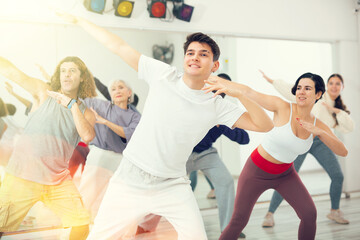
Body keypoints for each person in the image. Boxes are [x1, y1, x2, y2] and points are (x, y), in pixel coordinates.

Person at [58, 12, 273, 240]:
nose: (195, 57)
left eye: (203, 54)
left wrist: (239, 91)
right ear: (184, 58)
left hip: (172, 186)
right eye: (190, 53)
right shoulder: (163, 75)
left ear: (215, 64)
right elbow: (119, 47)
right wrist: (80, 21)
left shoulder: (217, 105)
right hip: (130, 180)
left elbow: (264, 125)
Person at [207, 72, 349, 240]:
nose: (301, 92)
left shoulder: (318, 125)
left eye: (307, 88)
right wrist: (217, 81)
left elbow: (343, 151)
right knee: (239, 221)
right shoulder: (282, 106)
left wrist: (320, 132)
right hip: (256, 172)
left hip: (285, 175)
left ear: (318, 94)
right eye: (299, 88)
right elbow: (249, 92)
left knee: (309, 214)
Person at [136, 73, 250, 238]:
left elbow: (244, 139)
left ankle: (228, 228)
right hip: (183, 153)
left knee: (225, 181)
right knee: (164, 186)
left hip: (206, 154)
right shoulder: (194, 101)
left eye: (223, 87)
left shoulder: (223, 109)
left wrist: (223, 125)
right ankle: (145, 225)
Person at [0, 56, 97, 240]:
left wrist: (72, 105)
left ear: (82, 77)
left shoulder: (86, 112)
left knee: (81, 224)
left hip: (57, 181)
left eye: (72, 71)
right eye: (63, 71)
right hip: (22, 176)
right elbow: (13, 73)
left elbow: (87, 135)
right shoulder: (44, 92)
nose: (67, 75)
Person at [260, 71, 354, 227]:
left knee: (337, 176)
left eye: (338, 84)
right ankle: (270, 213)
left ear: (342, 87)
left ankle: (334, 211)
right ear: (324, 88)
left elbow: (349, 127)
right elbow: (292, 90)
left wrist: (336, 112)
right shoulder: (315, 96)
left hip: (319, 141)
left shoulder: (339, 109)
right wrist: (272, 81)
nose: (334, 86)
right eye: (331, 83)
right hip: (301, 137)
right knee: (286, 178)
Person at [79, 79, 141, 221]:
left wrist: (105, 121)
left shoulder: (136, 117)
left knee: (113, 201)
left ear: (129, 93)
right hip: (99, 156)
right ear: (110, 94)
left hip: (121, 161)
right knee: (86, 196)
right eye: (113, 89)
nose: (117, 91)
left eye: (121, 87)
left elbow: (127, 133)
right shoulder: (100, 105)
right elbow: (78, 100)